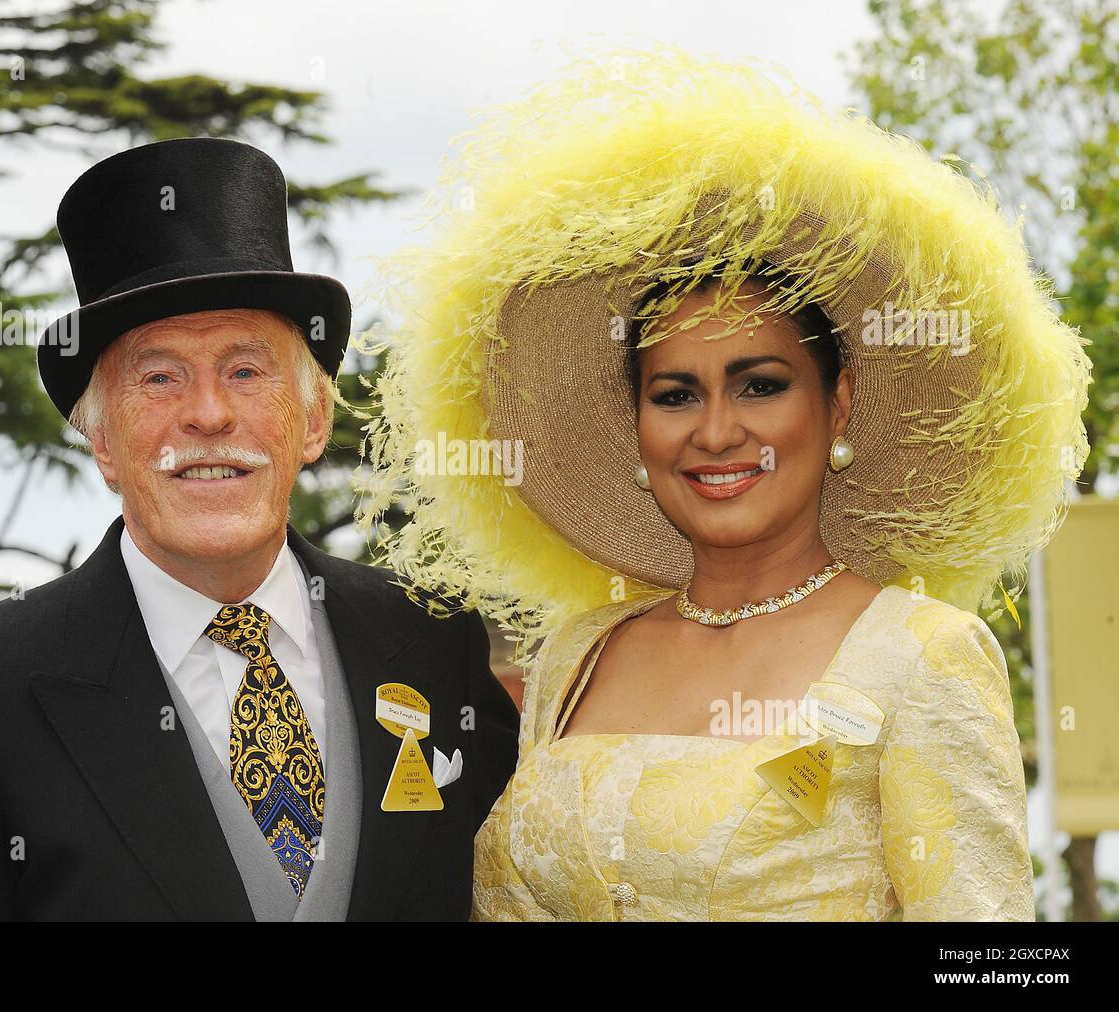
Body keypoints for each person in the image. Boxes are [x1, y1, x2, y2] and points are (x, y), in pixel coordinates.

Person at [359, 51, 1090, 920]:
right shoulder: (574, 656)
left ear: (839, 404)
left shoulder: (923, 656)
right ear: (638, 427)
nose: (715, 432)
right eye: (675, 395)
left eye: (760, 384)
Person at [0, 137, 520, 921]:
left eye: (246, 370)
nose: (208, 414)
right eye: (159, 376)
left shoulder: (434, 636)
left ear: (312, 420)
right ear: (102, 440)